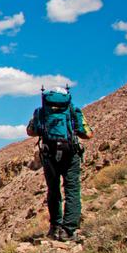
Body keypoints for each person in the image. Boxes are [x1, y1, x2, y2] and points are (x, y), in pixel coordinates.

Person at [26, 89, 92, 242]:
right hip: (71, 154)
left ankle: (55, 226)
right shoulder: (73, 110)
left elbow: (30, 131)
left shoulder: (40, 112)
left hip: (49, 155)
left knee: (53, 190)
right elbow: (88, 134)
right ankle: (69, 230)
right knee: (72, 190)